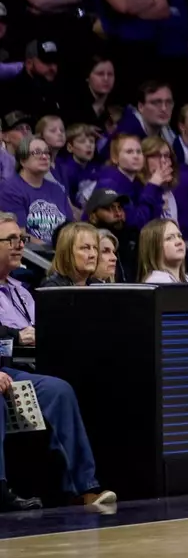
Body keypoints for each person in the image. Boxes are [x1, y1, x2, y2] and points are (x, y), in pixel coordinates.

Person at [0, 213, 116, 512]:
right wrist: (16, 336)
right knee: (55, 388)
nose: (19, 245)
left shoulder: (22, 290)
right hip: (9, 366)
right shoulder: (51, 287)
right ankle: (5, 488)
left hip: (33, 366)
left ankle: (87, 487)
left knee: (70, 387)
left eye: (21, 239)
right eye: (10, 240)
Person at [0, 133, 70, 247]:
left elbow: (71, 229)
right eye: (37, 152)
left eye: (47, 153)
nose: (44, 157)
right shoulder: (10, 189)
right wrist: (49, 248)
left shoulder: (57, 190)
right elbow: (19, 235)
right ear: (22, 160)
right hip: (30, 254)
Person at [40, 221, 100, 287]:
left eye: (95, 248)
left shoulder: (98, 286)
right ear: (67, 252)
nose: (93, 254)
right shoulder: (53, 287)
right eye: (85, 248)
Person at [138, 218, 188, 283]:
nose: (179, 242)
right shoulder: (156, 280)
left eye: (179, 236)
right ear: (154, 247)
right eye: (169, 238)